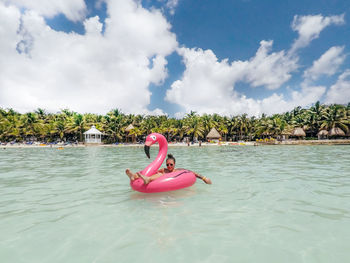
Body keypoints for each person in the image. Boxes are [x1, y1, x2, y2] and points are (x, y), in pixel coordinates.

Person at [125, 154, 212, 185]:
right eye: (167, 164)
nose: (169, 166)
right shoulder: (163, 170)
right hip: (155, 180)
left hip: (168, 185)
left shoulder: (177, 171)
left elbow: (192, 172)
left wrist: (204, 178)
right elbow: (152, 172)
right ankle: (133, 176)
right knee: (154, 173)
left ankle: (147, 180)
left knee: (160, 174)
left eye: (171, 164)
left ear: (174, 165)